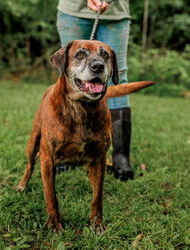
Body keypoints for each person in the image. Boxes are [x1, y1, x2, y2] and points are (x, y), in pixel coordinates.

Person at [56, 0, 133, 181]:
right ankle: (65, 150)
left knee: (118, 77)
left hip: (116, 14)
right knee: (70, 77)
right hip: (73, 11)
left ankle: (120, 157)